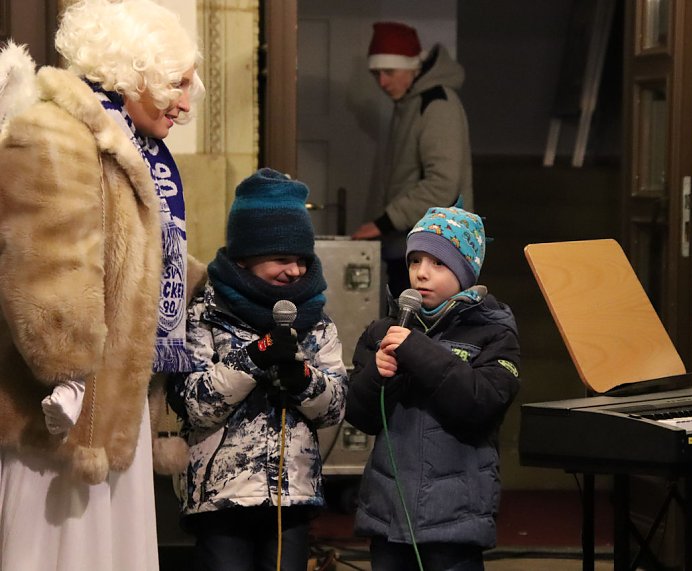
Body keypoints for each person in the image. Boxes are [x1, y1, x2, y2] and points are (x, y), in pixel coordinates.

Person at [0, 1, 205, 570]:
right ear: (131, 71)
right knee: (59, 550)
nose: (186, 103)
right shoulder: (56, 132)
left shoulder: (138, 151)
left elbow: (138, 263)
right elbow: (44, 269)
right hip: (61, 410)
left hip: (115, 402)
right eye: (175, 84)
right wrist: (65, 367)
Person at [167, 168, 348, 571]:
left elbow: (335, 408)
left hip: (293, 499)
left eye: (302, 260)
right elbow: (194, 404)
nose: (296, 271)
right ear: (246, 257)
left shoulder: (316, 321)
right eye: (282, 259)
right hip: (220, 502)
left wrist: (305, 381)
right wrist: (255, 357)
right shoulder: (204, 314)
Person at [346, 206, 521, 570]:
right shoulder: (383, 332)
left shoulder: (494, 333)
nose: (421, 273)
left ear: (465, 272)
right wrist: (377, 376)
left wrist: (417, 349)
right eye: (415, 261)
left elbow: (482, 403)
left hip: (454, 521)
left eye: (438, 264)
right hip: (388, 517)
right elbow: (361, 416)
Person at [351, 21, 473, 298]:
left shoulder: (437, 103)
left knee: (420, 338)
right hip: (415, 247)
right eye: (376, 73)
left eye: (389, 71)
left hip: (436, 253)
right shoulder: (412, 102)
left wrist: (384, 222)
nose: (382, 82)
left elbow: (443, 184)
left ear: (413, 66)